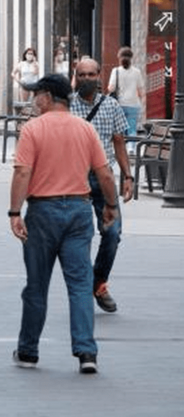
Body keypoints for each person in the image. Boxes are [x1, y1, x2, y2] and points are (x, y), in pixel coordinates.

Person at [9, 74, 119, 374]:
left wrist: (14, 213)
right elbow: (105, 173)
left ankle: (29, 350)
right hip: (79, 211)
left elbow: (22, 173)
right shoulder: (85, 129)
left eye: (36, 95)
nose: (34, 100)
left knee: (36, 285)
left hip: (42, 212)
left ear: (47, 96)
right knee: (81, 285)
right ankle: (86, 352)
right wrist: (111, 207)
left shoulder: (33, 129)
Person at [70, 58, 134, 313]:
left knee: (113, 233)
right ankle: (85, 286)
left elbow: (119, 142)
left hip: (103, 178)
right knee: (80, 237)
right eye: (82, 74)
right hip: (74, 180)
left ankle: (98, 281)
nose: (87, 78)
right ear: (76, 76)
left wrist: (128, 176)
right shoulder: (65, 106)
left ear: (99, 76)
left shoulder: (111, 105)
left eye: (91, 74)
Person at [107, 47, 145, 154]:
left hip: (119, 104)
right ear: (131, 58)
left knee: (120, 128)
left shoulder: (116, 71)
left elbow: (111, 88)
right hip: (134, 104)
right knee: (132, 128)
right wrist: (141, 101)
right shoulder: (137, 72)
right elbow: (141, 89)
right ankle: (131, 148)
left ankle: (121, 148)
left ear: (119, 58)